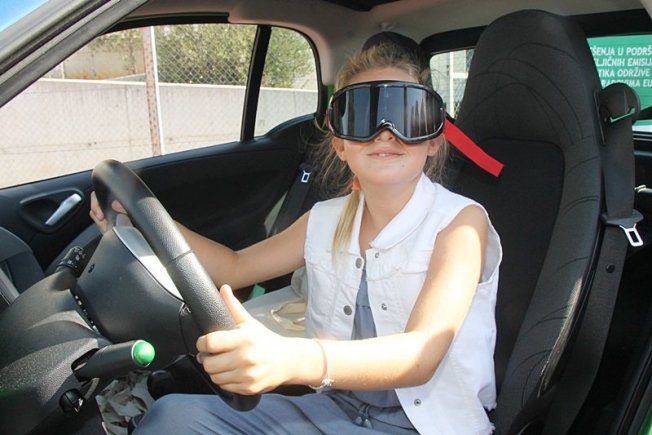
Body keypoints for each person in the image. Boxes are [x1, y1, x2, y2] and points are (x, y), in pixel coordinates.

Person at [90, 36, 502, 435]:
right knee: (173, 417)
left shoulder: (460, 224)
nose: (385, 132)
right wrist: (147, 222)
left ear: (433, 140)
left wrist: (290, 360)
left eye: (407, 114)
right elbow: (235, 267)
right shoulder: (324, 220)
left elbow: (422, 352)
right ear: (340, 145)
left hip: (429, 423)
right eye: (362, 115)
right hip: (334, 408)